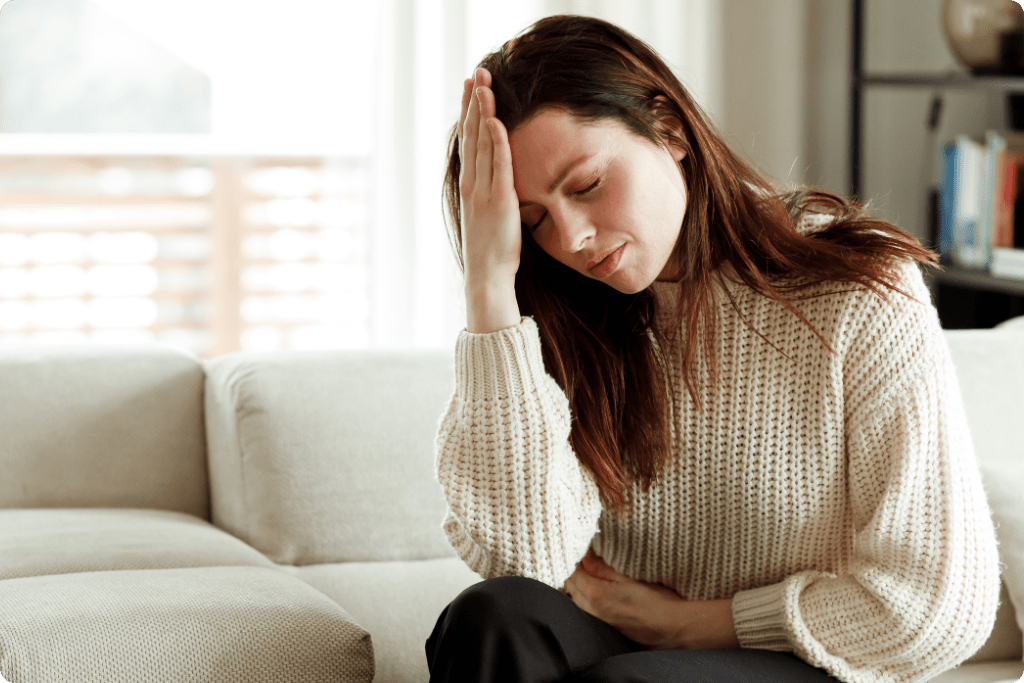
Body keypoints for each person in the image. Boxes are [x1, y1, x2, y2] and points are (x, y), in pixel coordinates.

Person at [427, 14, 999, 683]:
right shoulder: (556, 316)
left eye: (586, 186)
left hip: (810, 657)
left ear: (668, 128)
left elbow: (940, 606)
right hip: (626, 641)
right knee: (491, 617)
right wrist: (490, 289)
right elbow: (523, 556)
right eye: (534, 221)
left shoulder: (854, 291)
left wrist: (698, 624)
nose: (573, 237)